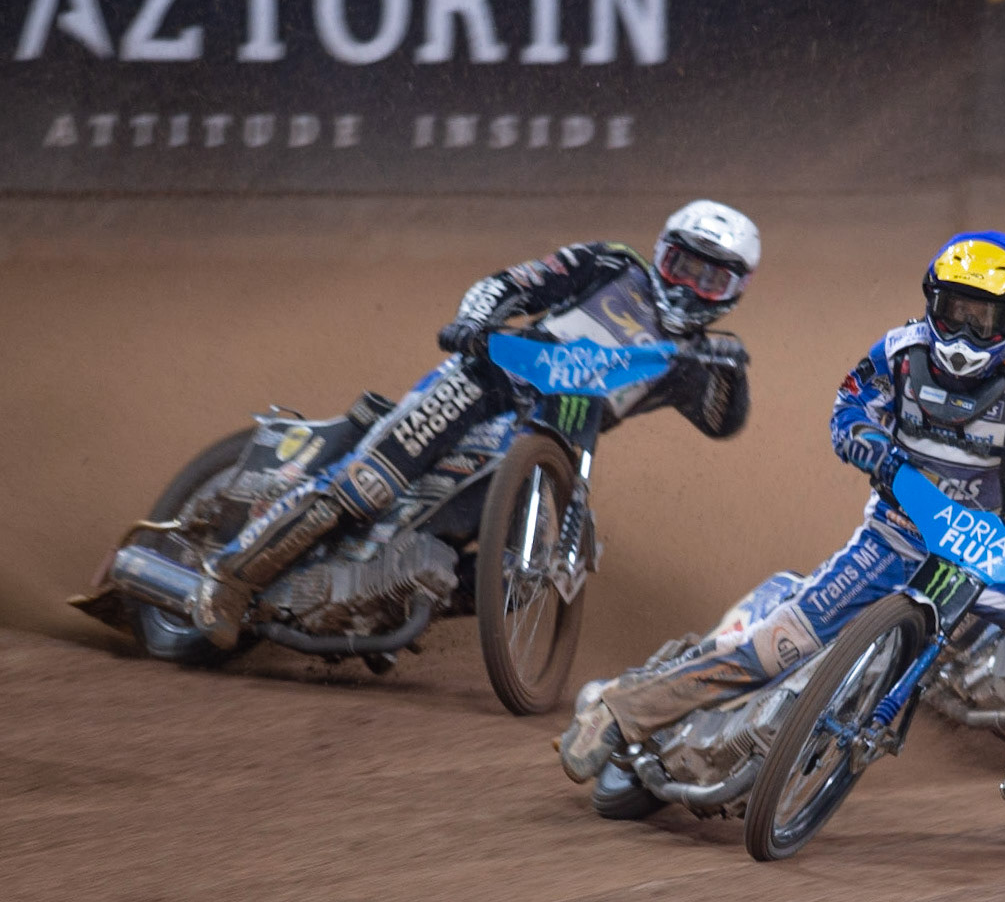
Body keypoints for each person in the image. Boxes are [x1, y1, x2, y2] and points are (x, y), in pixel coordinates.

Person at [559, 231, 1005, 824]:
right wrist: (867, 445)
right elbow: (849, 408)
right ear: (930, 301)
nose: (964, 333)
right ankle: (614, 713)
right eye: (953, 311)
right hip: (889, 538)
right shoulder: (898, 352)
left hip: (983, 553)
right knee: (768, 651)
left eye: (985, 319)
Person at [191, 200, 760, 646]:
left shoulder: (694, 361)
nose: (690, 286)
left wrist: (733, 374)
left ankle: (382, 602)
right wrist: (474, 322)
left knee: (517, 579)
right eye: (683, 266)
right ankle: (228, 579)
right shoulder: (611, 263)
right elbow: (510, 283)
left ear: (734, 292)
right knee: (368, 486)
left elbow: (722, 422)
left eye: (711, 280)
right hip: (483, 386)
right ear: (661, 254)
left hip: (552, 444)